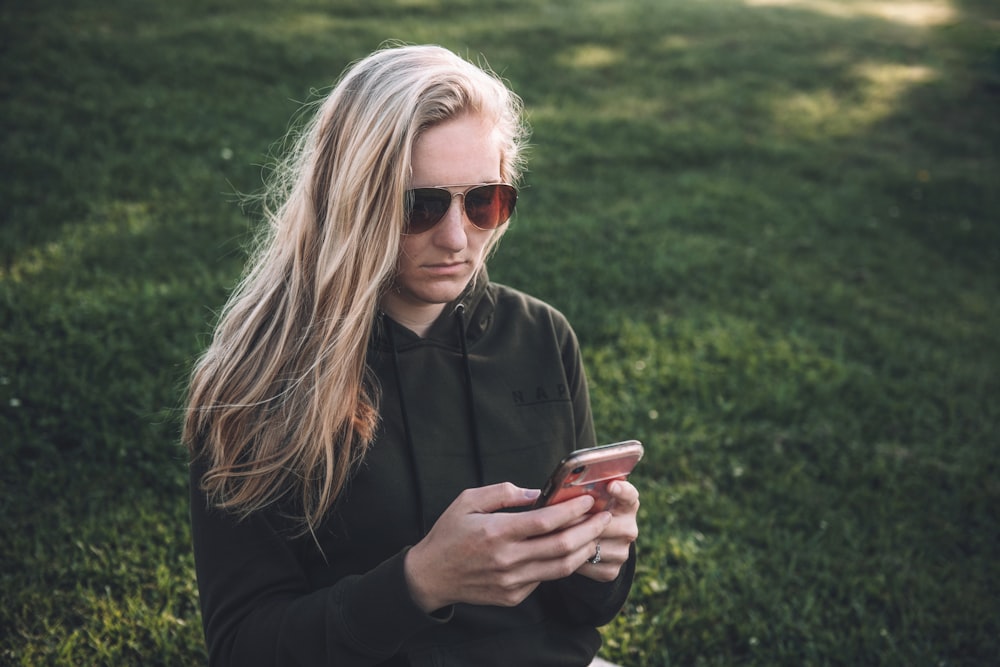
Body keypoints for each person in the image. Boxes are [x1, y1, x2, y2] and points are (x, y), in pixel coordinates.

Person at [183, 43, 640, 666]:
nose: (457, 238)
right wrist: (420, 582)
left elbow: (581, 617)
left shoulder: (542, 336)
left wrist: (601, 559)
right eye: (418, 206)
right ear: (352, 202)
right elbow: (243, 648)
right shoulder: (258, 381)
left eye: (484, 201)